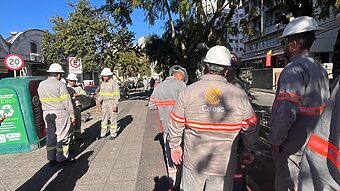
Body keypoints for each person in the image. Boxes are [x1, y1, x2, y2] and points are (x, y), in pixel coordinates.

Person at [168, 45, 259, 190]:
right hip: (224, 166)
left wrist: (175, 146)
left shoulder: (188, 92)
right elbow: (251, 127)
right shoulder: (239, 94)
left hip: (193, 163)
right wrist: (249, 150)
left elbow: (175, 123)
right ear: (227, 70)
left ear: (205, 66)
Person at [268, 16, 329, 191]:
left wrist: (275, 140)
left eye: (285, 43)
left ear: (293, 44)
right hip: (314, 144)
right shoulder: (319, 69)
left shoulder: (293, 70)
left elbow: (287, 112)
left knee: (288, 185)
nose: (284, 48)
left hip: (292, 147)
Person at [148, 65, 188, 189]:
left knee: (170, 158)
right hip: (181, 129)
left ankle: (173, 183)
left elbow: (151, 106)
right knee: (185, 156)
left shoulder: (158, 87)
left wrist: (163, 107)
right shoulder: (181, 86)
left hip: (166, 129)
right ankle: (183, 183)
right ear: (180, 76)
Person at [38, 63, 75, 167]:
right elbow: (66, 101)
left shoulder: (41, 84)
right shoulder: (60, 84)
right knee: (62, 136)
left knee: (51, 135)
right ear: (58, 74)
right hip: (60, 113)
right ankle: (62, 158)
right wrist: (72, 115)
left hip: (47, 113)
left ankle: (51, 158)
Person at [97, 68, 120, 140]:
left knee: (113, 118)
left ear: (109, 76)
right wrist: (98, 102)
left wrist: (115, 105)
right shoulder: (103, 84)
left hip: (112, 102)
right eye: (103, 76)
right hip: (104, 103)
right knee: (104, 118)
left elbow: (117, 95)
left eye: (105, 76)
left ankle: (113, 134)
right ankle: (103, 134)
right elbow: (101, 94)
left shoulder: (114, 83)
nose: (104, 77)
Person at [66, 73, 86, 141]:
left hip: (77, 106)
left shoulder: (78, 87)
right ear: (68, 80)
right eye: (71, 81)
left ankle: (77, 135)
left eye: (74, 81)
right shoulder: (65, 88)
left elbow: (84, 94)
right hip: (69, 108)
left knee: (77, 122)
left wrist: (78, 95)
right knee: (70, 124)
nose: (73, 82)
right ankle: (70, 138)